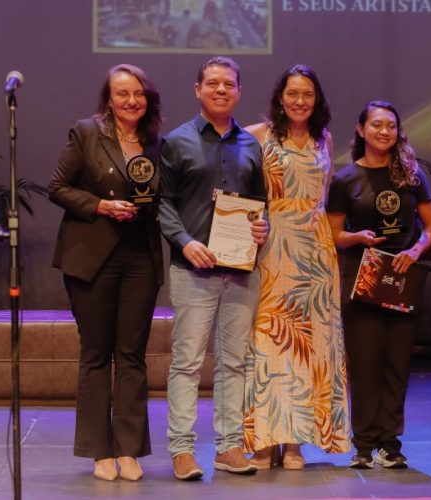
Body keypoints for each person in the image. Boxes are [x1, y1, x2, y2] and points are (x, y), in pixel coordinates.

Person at [49, 64, 164, 481]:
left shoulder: (156, 143)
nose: (131, 100)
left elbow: (164, 198)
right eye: (122, 94)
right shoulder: (86, 132)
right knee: (96, 354)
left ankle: (129, 450)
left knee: (131, 355)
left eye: (138, 93)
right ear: (109, 99)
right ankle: (100, 450)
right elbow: (58, 187)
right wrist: (101, 205)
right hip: (92, 257)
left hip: (140, 259)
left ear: (147, 98)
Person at [159, 56, 269, 480]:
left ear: (239, 91)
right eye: (212, 83)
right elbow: (163, 204)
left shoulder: (250, 145)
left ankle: (228, 448)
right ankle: (183, 451)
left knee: (234, 363)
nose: (221, 89)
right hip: (193, 271)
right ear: (197, 89)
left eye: (229, 84)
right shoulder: (176, 141)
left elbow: (263, 206)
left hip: (242, 270)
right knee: (187, 362)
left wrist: (263, 227)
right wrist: (186, 244)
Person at [242, 64, 351, 470]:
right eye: (293, 93)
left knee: (310, 347)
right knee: (271, 341)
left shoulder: (323, 139)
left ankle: (295, 442)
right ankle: (265, 439)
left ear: (316, 99)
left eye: (307, 94)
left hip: (316, 249)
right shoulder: (258, 135)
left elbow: (324, 193)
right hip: (274, 244)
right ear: (280, 97)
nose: (300, 101)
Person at [327, 100, 431, 470]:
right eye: (376, 125)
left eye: (390, 126)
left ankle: (390, 444)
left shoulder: (411, 175)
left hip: (402, 279)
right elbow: (332, 234)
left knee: (396, 363)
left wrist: (416, 249)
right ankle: (363, 444)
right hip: (363, 280)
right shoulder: (345, 179)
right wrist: (356, 237)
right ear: (361, 130)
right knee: (365, 364)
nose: (384, 131)